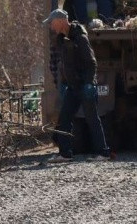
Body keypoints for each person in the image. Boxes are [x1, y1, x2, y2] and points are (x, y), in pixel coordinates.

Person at [44, 9, 112, 162]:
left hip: (84, 86)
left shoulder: (80, 37)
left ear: (61, 21)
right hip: (73, 87)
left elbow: (91, 63)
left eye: (52, 22)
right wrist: (64, 83)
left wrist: (89, 83)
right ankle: (65, 153)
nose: (51, 26)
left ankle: (103, 152)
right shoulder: (62, 39)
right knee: (64, 118)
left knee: (92, 118)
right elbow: (65, 65)